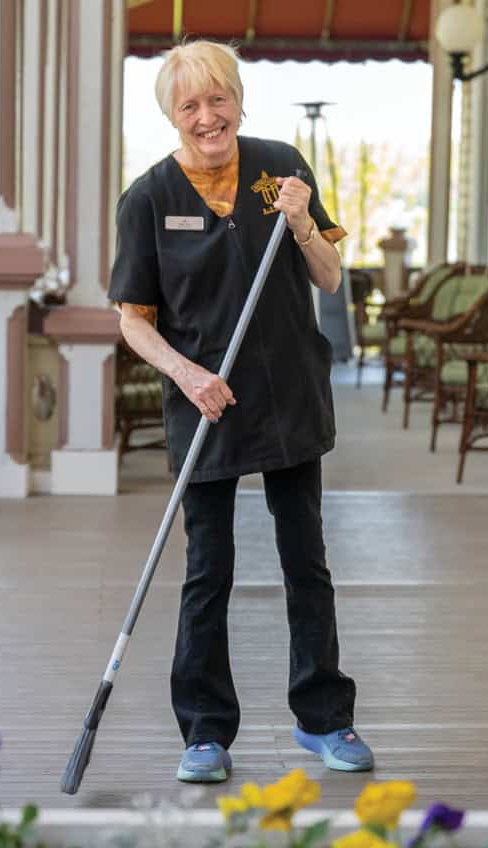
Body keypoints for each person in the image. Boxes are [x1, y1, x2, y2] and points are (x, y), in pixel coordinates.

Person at [108, 40, 367, 784]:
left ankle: (325, 719)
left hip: (289, 391)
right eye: (190, 104)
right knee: (207, 570)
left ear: (239, 102)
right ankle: (205, 733)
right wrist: (189, 377)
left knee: (305, 563)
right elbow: (133, 318)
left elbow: (326, 277)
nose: (207, 115)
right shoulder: (149, 198)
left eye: (218, 98)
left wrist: (304, 224)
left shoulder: (282, 167)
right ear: (172, 115)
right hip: (206, 403)